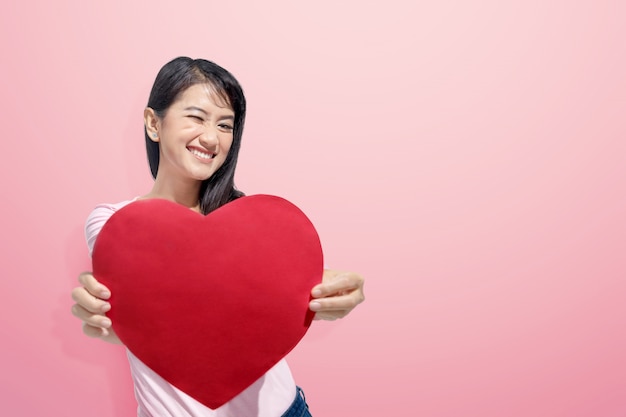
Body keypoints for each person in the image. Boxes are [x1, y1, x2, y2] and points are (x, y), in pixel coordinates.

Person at [70, 57, 365, 417]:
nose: (211, 137)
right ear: (153, 123)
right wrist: (107, 321)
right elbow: (158, 322)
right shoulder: (113, 222)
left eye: (225, 125)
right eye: (196, 117)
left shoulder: (256, 224)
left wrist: (334, 294)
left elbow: (299, 292)